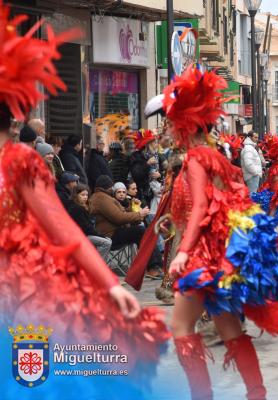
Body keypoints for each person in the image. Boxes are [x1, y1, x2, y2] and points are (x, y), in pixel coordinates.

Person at [0, 5, 169, 398]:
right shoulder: (21, 161)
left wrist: (109, 287)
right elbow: (64, 232)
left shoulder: (21, 161)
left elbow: (62, 229)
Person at [161, 66, 278, 399]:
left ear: (185, 123)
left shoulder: (194, 159)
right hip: (220, 255)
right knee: (230, 330)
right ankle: (257, 394)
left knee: (180, 327)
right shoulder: (214, 156)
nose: (166, 128)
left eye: (169, 121)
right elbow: (219, 203)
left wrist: (182, 251)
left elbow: (203, 210)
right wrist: (172, 221)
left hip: (202, 255)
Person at [90, 175, 162, 277]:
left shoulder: (103, 197)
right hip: (110, 235)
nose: (112, 188)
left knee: (143, 231)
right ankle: (153, 266)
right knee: (140, 231)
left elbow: (120, 214)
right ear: (107, 186)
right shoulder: (101, 198)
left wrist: (134, 211)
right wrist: (139, 215)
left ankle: (154, 266)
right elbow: (119, 217)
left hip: (114, 232)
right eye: (111, 186)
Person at [67, 184, 112, 261]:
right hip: (80, 236)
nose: (85, 197)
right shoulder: (76, 208)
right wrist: (100, 235)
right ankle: (97, 265)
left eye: (86, 195)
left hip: (85, 234)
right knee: (106, 243)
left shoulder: (84, 207)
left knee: (108, 240)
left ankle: (96, 263)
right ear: (76, 195)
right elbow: (86, 227)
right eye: (82, 195)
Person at [130, 129, 162, 204]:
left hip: (156, 192)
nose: (156, 144)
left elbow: (162, 171)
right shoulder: (136, 156)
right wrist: (147, 164)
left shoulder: (156, 155)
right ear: (148, 144)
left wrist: (159, 175)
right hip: (143, 194)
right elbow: (136, 174)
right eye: (154, 142)